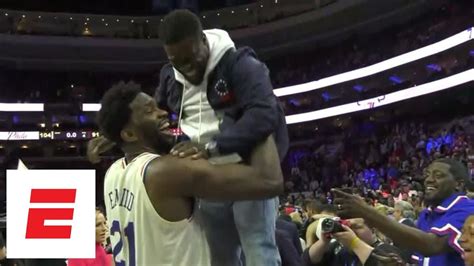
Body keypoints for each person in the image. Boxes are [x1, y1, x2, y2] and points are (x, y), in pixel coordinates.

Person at [89, 9, 288, 266]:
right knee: (220, 256)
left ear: (204, 41)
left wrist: (211, 147)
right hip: (208, 173)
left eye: (191, 58)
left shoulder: (239, 64)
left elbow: (265, 114)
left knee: (259, 252)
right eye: (177, 61)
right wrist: (113, 134)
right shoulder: (171, 76)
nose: (186, 67)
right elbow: (151, 109)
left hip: (242, 165)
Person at [98, 82, 283, 266]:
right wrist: (257, 114)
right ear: (129, 134)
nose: (162, 112)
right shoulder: (167, 172)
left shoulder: (112, 173)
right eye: (149, 111)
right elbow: (268, 181)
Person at [333, 158, 474, 266]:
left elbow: (432, 245)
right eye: (428, 174)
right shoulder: (427, 214)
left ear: (459, 184)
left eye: (438, 175)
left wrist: (367, 212)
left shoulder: (467, 209)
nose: (429, 180)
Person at [302, 218, 404, 266]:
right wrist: (324, 241)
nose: (351, 231)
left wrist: (354, 242)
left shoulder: (386, 249)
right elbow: (307, 261)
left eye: (356, 227)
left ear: (373, 230)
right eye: (347, 227)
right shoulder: (338, 248)